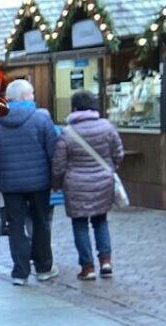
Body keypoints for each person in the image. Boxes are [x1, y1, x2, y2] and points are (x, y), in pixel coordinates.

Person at [0, 78, 60, 286]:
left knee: (15, 225)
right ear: (25, 97)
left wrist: (1, 172)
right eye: (31, 93)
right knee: (41, 223)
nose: (33, 96)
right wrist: (54, 177)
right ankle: (43, 267)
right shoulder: (41, 119)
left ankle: (20, 271)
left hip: (10, 184)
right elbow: (54, 151)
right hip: (39, 183)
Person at [52, 90, 123, 280]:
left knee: (80, 224)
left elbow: (59, 164)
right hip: (103, 181)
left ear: (74, 108)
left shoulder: (67, 133)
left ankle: (88, 267)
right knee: (101, 221)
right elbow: (118, 153)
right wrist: (110, 168)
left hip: (76, 185)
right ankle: (106, 261)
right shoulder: (107, 127)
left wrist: (57, 184)